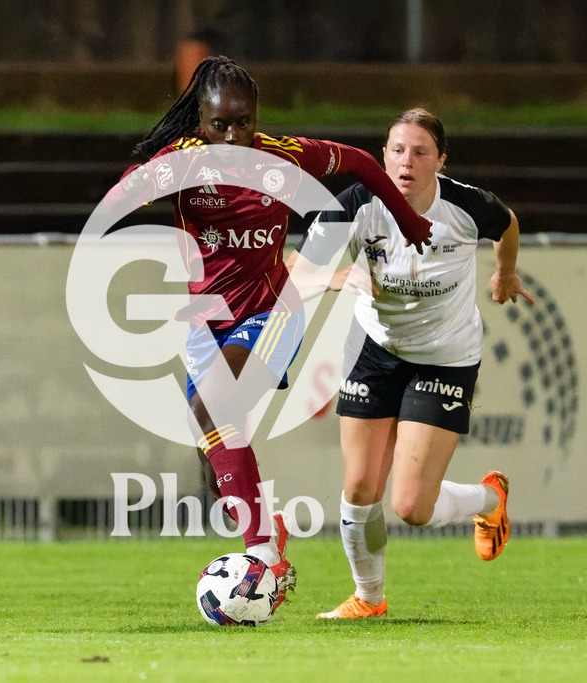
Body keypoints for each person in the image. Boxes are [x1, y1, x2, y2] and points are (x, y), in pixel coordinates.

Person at [108, 56, 432, 611]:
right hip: (204, 322)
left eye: (243, 122)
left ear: (256, 117)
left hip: (271, 313)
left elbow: (356, 161)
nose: (232, 135)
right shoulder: (184, 162)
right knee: (217, 457)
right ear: (200, 121)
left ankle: (266, 557)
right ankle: (265, 534)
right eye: (219, 125)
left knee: (215, 408)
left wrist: (405, 217)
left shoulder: (282, 157)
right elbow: (124, 192)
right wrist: (133, 195)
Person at [287, 107, 535, 619]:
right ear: (382, 157)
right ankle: (368, 599)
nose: (407, 161)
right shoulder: (357, 204)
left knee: (411, 508)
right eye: (397, 150)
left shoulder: (465, 206)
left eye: (420, 151)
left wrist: (504, 273)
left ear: (440, 160)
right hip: (376, 352)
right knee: (359, 488)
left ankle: (489, 500)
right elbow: (297, 272)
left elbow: (506, 223)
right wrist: (337, 279)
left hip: (444, 359)